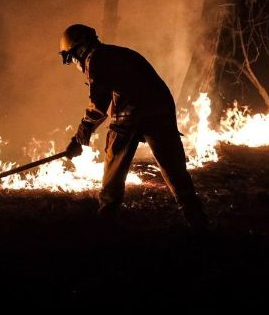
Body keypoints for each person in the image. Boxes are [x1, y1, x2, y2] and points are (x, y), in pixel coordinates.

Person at [59, 23, 209, 233]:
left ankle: (105, 225)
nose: (74, 63)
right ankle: (198, 223)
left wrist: (79, 138)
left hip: (131, 114)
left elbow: (98, 107)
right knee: (175, 171)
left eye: (71, 57)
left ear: (79, 50)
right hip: (160, 110)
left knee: (113, 170)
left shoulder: (96, 60)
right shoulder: (117, 54)